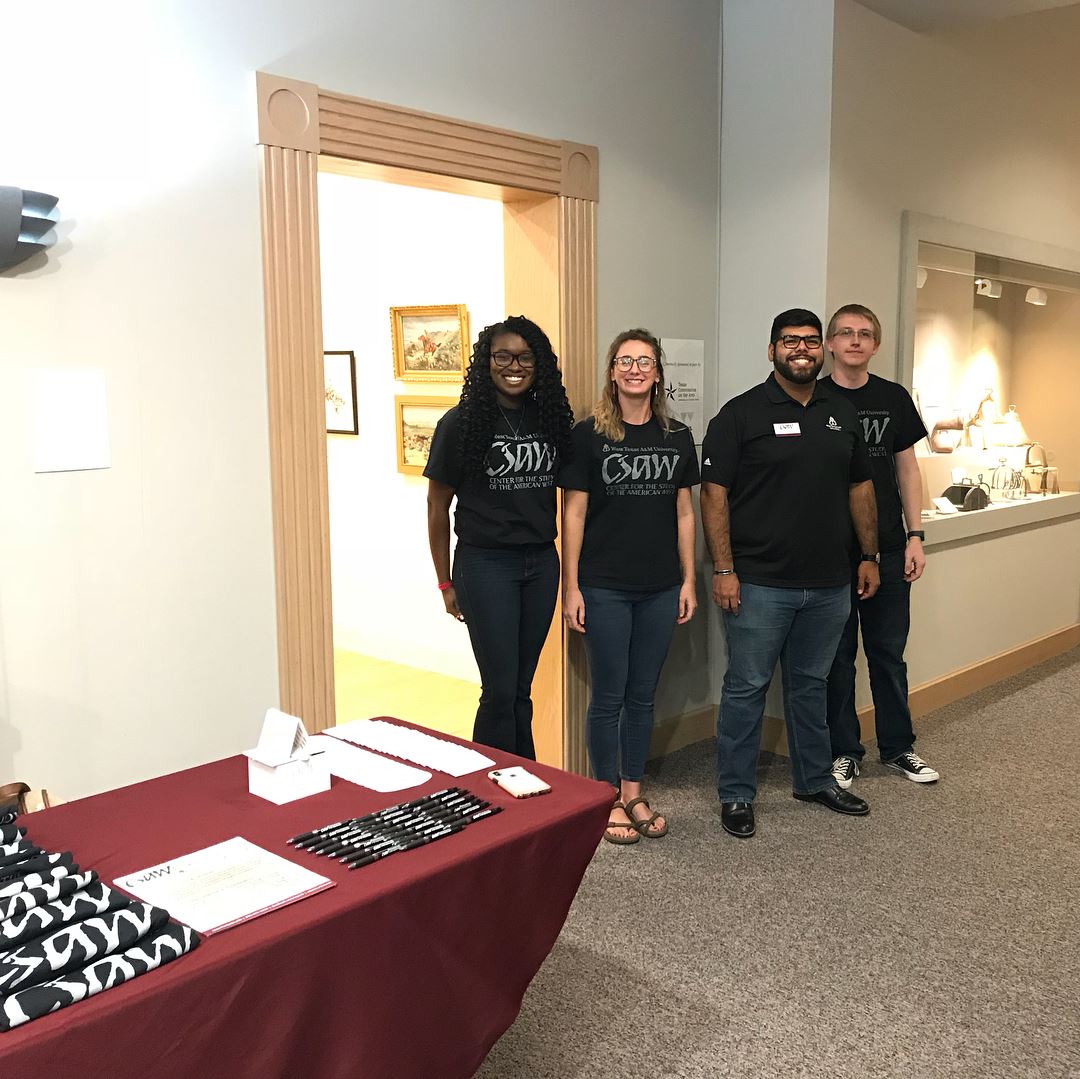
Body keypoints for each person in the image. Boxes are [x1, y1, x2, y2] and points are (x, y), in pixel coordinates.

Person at [700, 309, 879, 839]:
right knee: (747, 687)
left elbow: (860, 488)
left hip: (830, 582)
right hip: (758, 583)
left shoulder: (841, 412)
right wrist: (725, 568)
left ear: (822, 348)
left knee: (810, 685)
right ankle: (735, 792)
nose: (800, 349)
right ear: (772, 349)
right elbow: (714, 495)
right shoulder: (740, 415)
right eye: (788, 341)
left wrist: (869, 555)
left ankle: (814, 779)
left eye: (809, 341)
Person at [559, 329, 699, 844]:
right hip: (605, 586)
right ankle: (605, 797)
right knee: (608, 695)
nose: (635, 369)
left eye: (644, 361)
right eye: (625, 361)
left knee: (643, 696)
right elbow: (573, 512)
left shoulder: (677, 436)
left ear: (658, 372)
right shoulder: (587, 435)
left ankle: (633, 789)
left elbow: (685, 513)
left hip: (661, 586)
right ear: (612, 372)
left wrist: (688, 579)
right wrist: (570, 586)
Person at [424, 315, 575, 758]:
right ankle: (488, 788)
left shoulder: (549, 418)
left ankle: (524, 778)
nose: (514, 365)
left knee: (521, 687)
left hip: (542, 564)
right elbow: (437, 507)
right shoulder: (461, 423)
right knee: (499, 689)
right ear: (486, 362)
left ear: (539, 363)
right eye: (503, 356)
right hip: (485, 565)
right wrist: (444, 582)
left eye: (525, 357)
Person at [822, 304, 939, 786]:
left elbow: (907, 469)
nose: (854, 341)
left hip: (890, 547)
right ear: (830, 343)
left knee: (888, 655)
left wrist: (916, 535)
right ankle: (844, 749)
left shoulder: (892, 397)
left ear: (875, 345)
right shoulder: (814, 398)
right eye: (845, 333)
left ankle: (898, 747)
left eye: (864, 334)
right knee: (838, 659)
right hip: (831, 552)